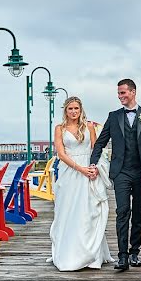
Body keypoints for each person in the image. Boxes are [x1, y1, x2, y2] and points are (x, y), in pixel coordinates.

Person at [88, 79, 141, 272]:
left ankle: (134, 252)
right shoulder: (113, 117)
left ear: (133, 92)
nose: (120, 97)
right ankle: (122, 257)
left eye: (123, 93)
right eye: (118, 94)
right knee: (122, 212)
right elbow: (100, 143)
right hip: (120, 172)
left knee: (138, 213)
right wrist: (93, 163)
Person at [49, 96, 113, 271]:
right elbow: (61, 154)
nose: (74, 112)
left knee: (89, 209)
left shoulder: (89, 127)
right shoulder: (59, 129)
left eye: (76, 108)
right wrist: (80, 168)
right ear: (65, 111)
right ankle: (69, 252)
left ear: (81, 109)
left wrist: (94, 168)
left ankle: (91, 253)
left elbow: (95, 149)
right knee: (69, 210)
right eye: (70, 109)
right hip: (70, 172)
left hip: (88, 171)